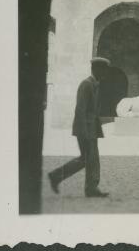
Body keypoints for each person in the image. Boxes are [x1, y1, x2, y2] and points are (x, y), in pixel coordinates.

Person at [47, 57, 111, 197]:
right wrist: (83, 132)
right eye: (103, 70)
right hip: (86, 130)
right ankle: (58, 176)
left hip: (92, 129)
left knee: (89, 159)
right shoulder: (86, 85)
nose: (105, 73)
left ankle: (90, 188)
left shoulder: (95, 84)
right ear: (96, 69)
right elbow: (80, 109)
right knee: (87, 159)